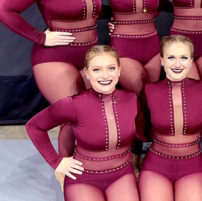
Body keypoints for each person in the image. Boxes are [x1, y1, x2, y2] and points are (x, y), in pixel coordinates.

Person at [0, 0, 101, 161]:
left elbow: (87, 9)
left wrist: (124, 17)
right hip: (55, 58)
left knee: (93, 112)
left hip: (89, 55)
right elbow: (4, 9)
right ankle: (65, 172)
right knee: (72, 114)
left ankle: (91, 164)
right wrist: (39, 37)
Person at [25, 45, 139, 201]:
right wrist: (56, 162)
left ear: (119, 70)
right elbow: (34, 127)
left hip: (122, 176)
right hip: (84, 179)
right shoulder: (72, 105)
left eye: (111, 68)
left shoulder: (132, 99)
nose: (105, 75)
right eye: (97, 70)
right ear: (87, 73)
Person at [138, 35, 202, 201]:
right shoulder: (149, 90)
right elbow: (141, 130)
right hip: (156, 166)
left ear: (191, 60)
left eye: (183, 58)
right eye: (171, 57)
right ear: (162, 60)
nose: (177, 64)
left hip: (192, 167)